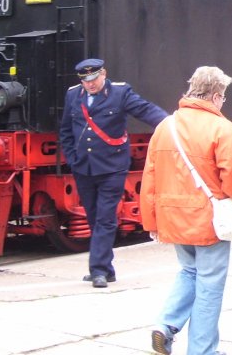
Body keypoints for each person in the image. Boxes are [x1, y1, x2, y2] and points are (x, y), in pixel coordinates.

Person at [141, 66, 232, 355]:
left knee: (189, 271)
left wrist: (151, 220)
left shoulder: (164, 127)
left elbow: (150, 177)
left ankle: (166, 325)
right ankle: (203, 351)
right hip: (209, 222)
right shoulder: (224, 130)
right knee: (209, 286)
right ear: (217, 96)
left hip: (174, 218)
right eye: (223, 98)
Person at [59, 58, 167, 288]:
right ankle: (107, 268)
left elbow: (145, 110)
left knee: (105, 218)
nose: (90, 84)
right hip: (84, 167)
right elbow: (66, 130)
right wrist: (72, 158)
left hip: (112, 167)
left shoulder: (120, 92)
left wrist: (171, 124)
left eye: (94, 78)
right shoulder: (72, 95)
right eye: (85, 80)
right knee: (93, 216)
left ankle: (98, 270)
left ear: (103, 74)